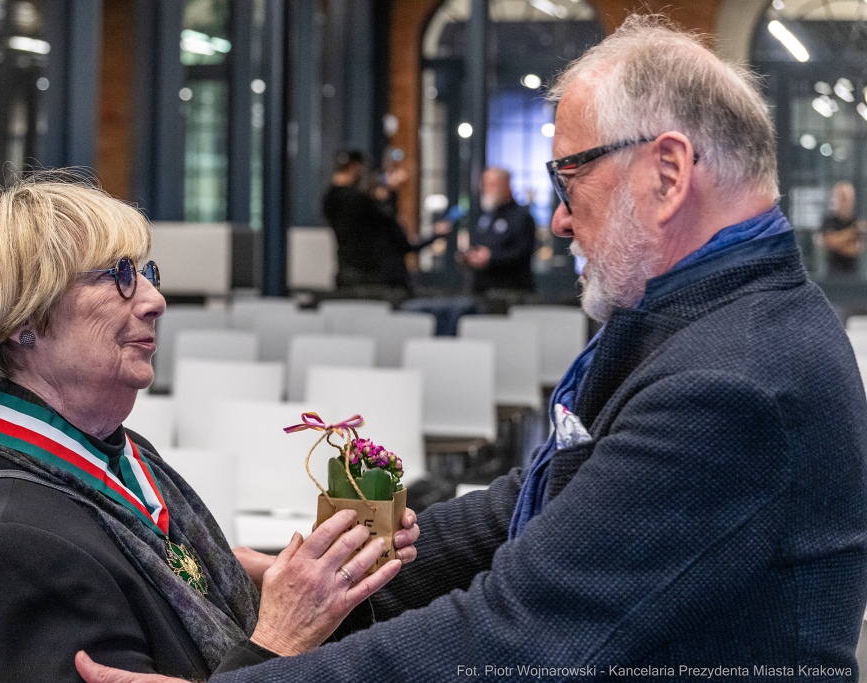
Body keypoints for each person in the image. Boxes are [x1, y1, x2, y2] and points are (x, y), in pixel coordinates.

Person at [76, 15, 867, 683]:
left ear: (666, 173)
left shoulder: (736, 384)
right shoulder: (704, 320)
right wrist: (341, 580)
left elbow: (512, 634)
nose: (559, 220)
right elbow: (536, 502)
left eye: (570, 180)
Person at [0, 178, 419, 682]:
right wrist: (280, 641)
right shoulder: (8, 543)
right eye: (119, 276)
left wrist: (323, 591)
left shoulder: (121, 455)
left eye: (145, 272)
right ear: (20, 320)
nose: (155, 300)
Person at [322, 150, 449, 289]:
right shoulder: (359, 202)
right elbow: (400, 239)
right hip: (375, 279)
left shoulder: (332, 199)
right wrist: (391, 196)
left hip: (348, 273)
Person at [460, 167, 536, 292]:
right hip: (481, 289)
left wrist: (492, 257)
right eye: (484, 185)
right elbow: (477, 243)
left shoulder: (521, 217)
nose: (486, 190)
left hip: (510, 292)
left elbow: (522, 253)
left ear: (506, 185)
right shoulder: (486, 216)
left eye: (491, 185)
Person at [820, 181, 864, 277]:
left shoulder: (856, 220)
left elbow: (855, 249)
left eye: (849, 198)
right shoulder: (828, 221)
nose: (846, 202)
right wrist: (853, 232)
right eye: (842, 198)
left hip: (853, 277)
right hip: (832, 276)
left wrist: (838, 241)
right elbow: (830, 241)